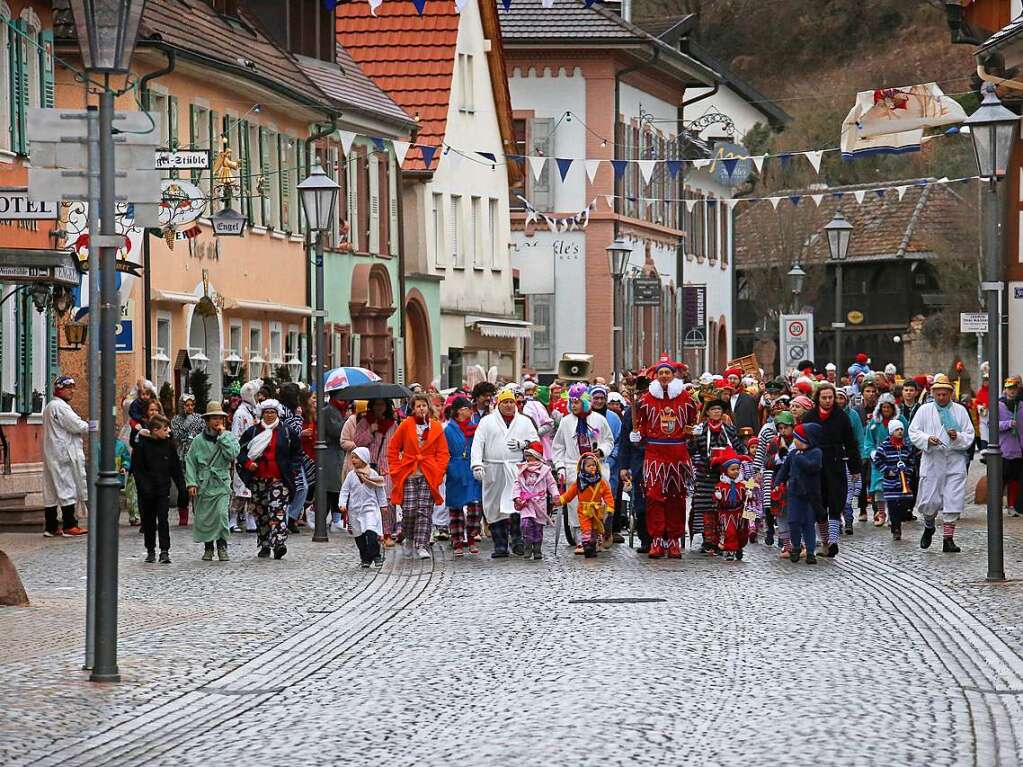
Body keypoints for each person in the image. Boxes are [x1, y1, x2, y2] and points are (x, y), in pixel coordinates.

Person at [631, 357, 698, 558]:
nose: (664, 376)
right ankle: (657, 539)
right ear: (656, 376)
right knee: (653, 496)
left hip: (677, 454)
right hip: (655, 453)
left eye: (667, 373)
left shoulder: (685, 398)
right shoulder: (646, 400)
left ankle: (674, 539)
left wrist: (695, 430)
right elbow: (640, 424)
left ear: (673, 374)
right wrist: (636, 435)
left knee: (676, 498)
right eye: (661, 373)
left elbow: (692, 422)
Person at [908, 374, 974, 553]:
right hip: (932, 459)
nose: (941, 397)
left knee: (953, 498)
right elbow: (913, 431)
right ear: (933, 393)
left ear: (950, 394)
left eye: (945, 394)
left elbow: (970, 433)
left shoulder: (960, 411)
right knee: (929, 501)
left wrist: (958, 437)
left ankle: (948, 539)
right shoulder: (924, 410)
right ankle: (929, 526)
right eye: (938, 394)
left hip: (954, 459)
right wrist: (927, 439)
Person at [471, 388, 539, 558]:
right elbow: (478, 444)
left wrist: (524, 444)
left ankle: (518, 541)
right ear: (498, 404)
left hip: (516, 469)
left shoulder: (524, 422)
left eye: (511, 402)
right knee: (494, 507)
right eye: (505, 402)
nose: (509, 405)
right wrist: (476, 465)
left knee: (517, 504)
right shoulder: (487, 422)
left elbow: (537, 444)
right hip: (493, 469)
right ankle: (500, 544)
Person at [552, 383, 615, 553]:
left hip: (597, 468)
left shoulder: (599, 420)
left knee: (598, 504)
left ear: (585, 402)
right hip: (574, 467)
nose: (574, 405)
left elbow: (609, 440)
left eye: (577, 402)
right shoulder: (566, 422)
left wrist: (601, 450)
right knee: (575, 506)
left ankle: (597, 536)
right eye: (571, 402)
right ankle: (581, 539)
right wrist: (560, 468)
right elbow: (558, 447)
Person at [238, 399, 303, 560]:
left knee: (278, 510)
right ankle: (265, 544)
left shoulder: (286, 432)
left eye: (272, 412)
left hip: (279, 479)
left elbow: (297, 453)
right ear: (262, 413)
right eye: (266, 412)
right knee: (261, 513)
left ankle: (279, 543)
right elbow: (240, 452)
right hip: (258, 479)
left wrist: (293, 471)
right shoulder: (252, 432)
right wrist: (248, 463)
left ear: (277, 413)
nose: (269, 415)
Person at [388, 392, 450, 560]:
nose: (421, 409)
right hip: (409, 471)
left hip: (428, 473)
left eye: (423, 405)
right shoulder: (406, 425)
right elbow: (393, 448)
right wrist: (395, 468)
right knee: (409, 509)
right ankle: (408, 536)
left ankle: (421, 544)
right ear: (413, 409)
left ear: (427, 407)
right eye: (418, 406)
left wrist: (439, 470)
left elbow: (443, 452)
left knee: (424, 509)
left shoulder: (436, 427)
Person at [802, 383, 860, 558]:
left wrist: (855, 467)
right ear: (818, 398)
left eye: (830, 397)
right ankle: (825, 542)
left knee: (835, 502)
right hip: (815, 464)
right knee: (818, 505)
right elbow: (802, 441)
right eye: (824, 397)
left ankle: (833, 541)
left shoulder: (841, 417)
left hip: (835, 462)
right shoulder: (809, 417)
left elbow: (851, 443)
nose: (828, 401)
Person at [185, 401, 240, 562]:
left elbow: (233, 454)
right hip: (204, 483)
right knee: (205, 517)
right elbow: (190, 462)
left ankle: (222, 546)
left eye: (220, 418)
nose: (217, 421)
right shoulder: (198, 441)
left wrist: (223, 436)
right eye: (213, 418)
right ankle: (208, 547)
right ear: (207, 421)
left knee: (222, 514)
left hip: (221, 483)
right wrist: (191, 483)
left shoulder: (228, 437)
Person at [690, 397, 744, 555]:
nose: (716, 412)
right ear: (707, 412)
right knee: (706, 508)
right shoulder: (700, 430)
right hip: (705, 474)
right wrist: (693, 439)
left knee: (723, 508)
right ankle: (708, 541)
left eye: (719, 410)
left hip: (724, 475)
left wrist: (731, 458)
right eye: (713, 409)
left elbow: (739, 449)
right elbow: (691, 450)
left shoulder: (729, 430)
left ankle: (723, 540)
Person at [131, 413, 187, 564]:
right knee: (148, 521)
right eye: (165, 429)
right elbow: (137, 469)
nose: (168, 431)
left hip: (163, 488)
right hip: (146, 491)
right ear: (155, 430)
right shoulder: (142, 445)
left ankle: (164, 550)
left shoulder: (168, 445)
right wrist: (144, 487)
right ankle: (150, 550)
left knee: (163, 519)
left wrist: (182, 487)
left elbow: (175, 467)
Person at [41, 375, 89, 537]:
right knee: (67, 486)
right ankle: (69, 524)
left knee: (52, 490)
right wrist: (89, 425)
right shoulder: (60, 407)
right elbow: (76, 425)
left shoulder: (49, 406)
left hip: (53, 452)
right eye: (69, 388)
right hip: (63, 453)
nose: (72, 391)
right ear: (59, 389)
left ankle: (51, 526)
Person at [774, 423, 824, 565]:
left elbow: (813, 466)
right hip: (794, 493)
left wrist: (800, 458)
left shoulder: (816, 453)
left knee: (808, 523)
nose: (795, 442)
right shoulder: (792, 454)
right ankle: (796, 546)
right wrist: (777, 483)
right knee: (793, 521)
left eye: (799, 439)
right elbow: (784, 470)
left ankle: (810, 551)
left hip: (810, 494)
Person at [443, 396, 483, 556]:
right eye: (468, 408)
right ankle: (457, 540)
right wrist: (448, 468)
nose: (471, 411)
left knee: (475, 504)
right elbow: (444, 450)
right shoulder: (448, 430)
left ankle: (472, 537)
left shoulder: (475, 429)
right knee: (456, 507)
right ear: (460, 410)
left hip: (471, 467)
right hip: (455, 469)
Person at [354, 399, 398, 541]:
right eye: (377, 404)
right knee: (369, 500)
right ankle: (372, 530)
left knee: (388, 499)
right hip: (368, 466)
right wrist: (370, 431)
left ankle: (387, 533)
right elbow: (358, 442)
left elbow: (397, 444)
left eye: (382, 404)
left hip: (387, 466)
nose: (379, 407)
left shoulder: (393, 424)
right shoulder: (365, 422)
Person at [862, 392, 908, 529]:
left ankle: (892, 513)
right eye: (884, 407)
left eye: (888, 407)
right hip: (879, 459)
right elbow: (868, 440)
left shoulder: (901, 420)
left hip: (895, 458)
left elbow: (907, 437)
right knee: (878, 488)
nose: (886, 410)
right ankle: (881, 513)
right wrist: (872, 452)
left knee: (894, 488)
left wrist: (905, 453)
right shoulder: (875, 423)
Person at [558, 452, 615, 558]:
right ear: (582, 467)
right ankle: (586, 546)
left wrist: (610, 507)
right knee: (586, 529)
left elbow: (608, 495)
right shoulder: (579, 482)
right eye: (588, 466)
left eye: (593, 465)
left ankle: (593, 545)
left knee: (596, 529)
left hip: (597, 510)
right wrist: (561, 500)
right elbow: (570, 494)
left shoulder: (601, 482)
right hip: (584, 510)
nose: (592, 467)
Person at [617, 376, 650, 553]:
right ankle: (646, 538)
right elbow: (624, 441)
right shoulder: (631, 412)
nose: (642, 396)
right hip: (639, 463)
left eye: (645, 393)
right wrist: (623, 466)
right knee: (641, 502)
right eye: (639, 394)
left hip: (658, 459)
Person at [339, 447, 387, 568]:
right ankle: (365, 558)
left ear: (364, 459)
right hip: (354, 510)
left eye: (357, 457)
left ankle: (376, 555)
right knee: (359, 536)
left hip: (369, 509)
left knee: (371, 532)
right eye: (352, 457)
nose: (354, 460)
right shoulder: (351, 475)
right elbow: (345, 491)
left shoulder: (373, 474)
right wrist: (342, 504)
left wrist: (383, 505)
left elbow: (380, 490)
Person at [513, 441, 560, 560]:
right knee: (525, 525)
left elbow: (552, 484)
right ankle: (527, 546)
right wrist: (516, 496)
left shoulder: (545, 470)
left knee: (538, 527)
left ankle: (537, 547)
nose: (527, 458)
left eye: (530, 455)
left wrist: (555, 495)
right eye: (526, 455)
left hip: (539, 503)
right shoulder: (522, 469)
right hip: (526, 503)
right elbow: (517, 484)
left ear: (537, 456)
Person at [871, 420, 917, 540]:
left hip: (904, 482)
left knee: (904, 505)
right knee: (892, 506)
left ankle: (899, 520)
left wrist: (908, 471)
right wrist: (888, 470)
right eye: (897, 430)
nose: (900, 432)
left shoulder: (907, 445)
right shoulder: (885, 446)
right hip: (890, 483)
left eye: (901, 429)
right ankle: (896, 529)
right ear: (892, 432)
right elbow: (877, 460)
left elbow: (911, 460)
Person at [229, 379, 262, 533]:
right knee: (240, 489)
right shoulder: (240, 413)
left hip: (255, 454)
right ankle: (233, 517)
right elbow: (236, 435)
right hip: (243, 453)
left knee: (251, 489)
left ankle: (250, 516)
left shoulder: (254, 411)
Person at [169, 394, 204, 526]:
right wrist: (187, 435)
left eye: (191, 405)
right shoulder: (176, 420)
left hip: (197, 454)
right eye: (186, 405)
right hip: (181, 455)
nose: (189, 407)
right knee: (183, 488)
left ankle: (198, 513)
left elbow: (203, 432)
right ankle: (183, 513)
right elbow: (175, 435)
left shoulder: (199, 418)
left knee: (198, 486)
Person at [765, 411, 796, 557]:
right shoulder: (773, 442)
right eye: (780, 428)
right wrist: (778, 456)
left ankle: (798, 543)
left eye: (786, 427)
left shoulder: (799, 440)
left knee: (795, 513)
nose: (783, 431)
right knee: (781, 515)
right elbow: (767, 463)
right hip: (779, 483)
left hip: (796, 482)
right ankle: (786, 545)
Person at [712, 450, 751, 561]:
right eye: (733, 469)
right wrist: (717, 497)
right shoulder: (721, 485)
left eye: (738, 469)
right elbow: (716, 499)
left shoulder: (743, 483)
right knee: (730, 532)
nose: (736, 472)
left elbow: (750, 496)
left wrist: (750, 494)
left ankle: (738, 547)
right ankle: (730, 550)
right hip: (727, 513)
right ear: (726, 470)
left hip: (741, 512)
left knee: (742, 532)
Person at [321, 389, 348, 536]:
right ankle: (333, 519)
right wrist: (348, 421)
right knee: (333, 486)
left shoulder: (337, 410)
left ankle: (335, 518)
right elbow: (336, 431)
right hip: (330, 453)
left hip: (337, 453)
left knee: (336, 486)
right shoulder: (329, 411)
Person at [999, 377, 1023, 518]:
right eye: (1010, 388)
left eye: (1015, 388)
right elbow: (992, 425)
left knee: (1015, 480)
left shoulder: (1021, 406)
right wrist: (1008, 424)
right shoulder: (999, 406)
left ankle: (1012, 505)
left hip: (1019, 449)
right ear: (1005, 390)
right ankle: (997, 505)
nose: (1012, 391)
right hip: (1004, 449)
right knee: (1001, 479)